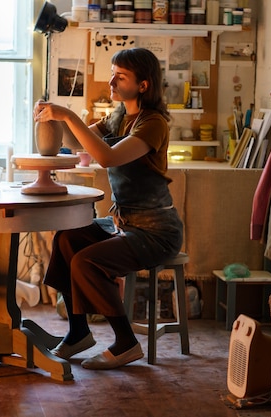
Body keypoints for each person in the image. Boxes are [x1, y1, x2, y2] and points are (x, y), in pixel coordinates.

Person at [33, 47, 183, 370]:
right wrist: (54, 117)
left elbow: (107, 157)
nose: (112, 81)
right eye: (113, 73)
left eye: (121, 76)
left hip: (156, 231)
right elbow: (78, 144)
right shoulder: (118, 116)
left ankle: (126, 343)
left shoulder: (153, 124)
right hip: (124, 224)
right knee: (66, 239)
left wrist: (69, 115)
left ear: (143, 85)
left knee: (87, 262)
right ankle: (78, 333)